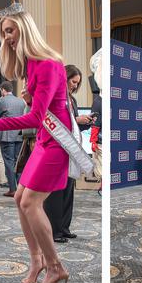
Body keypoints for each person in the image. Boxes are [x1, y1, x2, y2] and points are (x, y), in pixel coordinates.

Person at [0, 3, 71, 283]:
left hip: (57, 141)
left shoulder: (47, 64)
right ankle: (36, 261)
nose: (7, 38)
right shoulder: (32, 66)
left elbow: (37, 118)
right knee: (19, 198)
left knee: (29, 202)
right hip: (43, 139)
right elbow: (38, 111)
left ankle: (55, 267)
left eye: (10, 30)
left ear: (24, 29)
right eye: (4, 33)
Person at [45, 64, 95, 243]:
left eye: (77, 83)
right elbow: (53, 124)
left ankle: (64, 227)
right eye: (73, 81)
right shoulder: (54, 96)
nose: (75, 85)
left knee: (68, 190)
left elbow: (72, 126)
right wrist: (76, 120)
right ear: (64, 78)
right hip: (57, 150)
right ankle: (54, 231)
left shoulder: (72, 100)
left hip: (70, 151)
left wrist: (84, 122)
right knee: (55, 193)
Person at [0, 80, 27, 197]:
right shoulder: (21, 101)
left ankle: (12, 189)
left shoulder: (2, 101)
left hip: (7, 135)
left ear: (3, 90)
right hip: (19, 135)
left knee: (9, 162)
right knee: (19, 162)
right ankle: (20, 187)